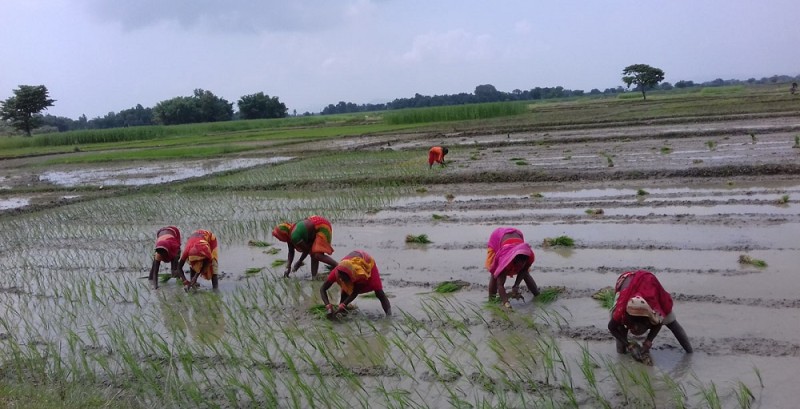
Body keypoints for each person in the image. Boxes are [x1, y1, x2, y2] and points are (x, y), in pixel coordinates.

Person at [608, 270, 692, 355]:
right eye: (633, 327)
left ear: (648, 321)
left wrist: (648, 342)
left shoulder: (654, 310)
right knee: (620, 328)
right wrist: (629, 345)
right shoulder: (621, 311)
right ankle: (621, 354)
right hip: (627, 283)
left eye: (638, 328)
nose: (635, 329)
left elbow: (659, 322)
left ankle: (690, 352)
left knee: (672, 323)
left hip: (649, 285)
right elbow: (611, 327)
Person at [319, 250, 391, 317]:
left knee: (379, 292)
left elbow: (355, 292)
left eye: (344, 279)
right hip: (349, 262)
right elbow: (322, 289)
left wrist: (343, 304)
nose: (341, 280)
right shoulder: (336, 272)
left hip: (367, 263)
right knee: (345, 291)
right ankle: (343, 313)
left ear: (350, 276)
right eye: (340, 277)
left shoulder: (360, 275)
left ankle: (389, 315)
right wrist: (328, 305)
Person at [485, 227, 540, 309]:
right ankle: (491, 301)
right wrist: (506, 303)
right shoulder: (504, 259)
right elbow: (500, 285)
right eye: (519, 264)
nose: (521, 266)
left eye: (523, 263)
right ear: (513, 260)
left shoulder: (528, 255)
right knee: (495, 274)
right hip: (497, 238)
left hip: (517, 236)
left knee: (525, 273)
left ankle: (537, 295)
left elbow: (524, 270)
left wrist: (516, 285)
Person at [272, 215, 338, 278]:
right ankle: (314, 277)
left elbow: (306, 250)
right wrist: (288, 266)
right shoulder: (290, 235)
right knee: (313, 253)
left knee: (317, 255)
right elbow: (291, 251)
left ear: (283, 234)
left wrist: (299, 262)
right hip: (313, 227)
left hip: (322, 226)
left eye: (279, 236)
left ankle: (338, 267)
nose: (279, 239)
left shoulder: (295, 236)